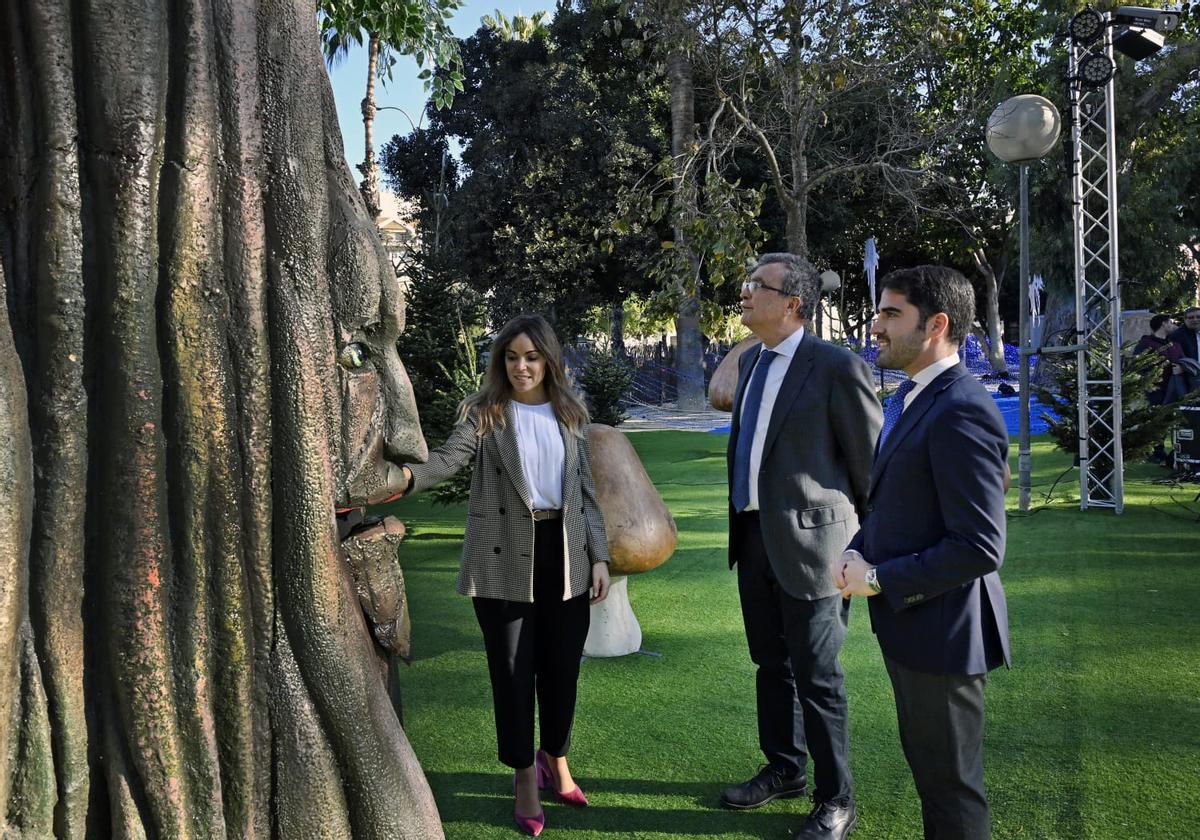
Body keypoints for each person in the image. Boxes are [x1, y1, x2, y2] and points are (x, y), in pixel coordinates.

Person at [399, 314, 611, 837]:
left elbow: (585, 492)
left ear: (549, 360)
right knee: (514, 676)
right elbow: (449, 458)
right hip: (502, 559)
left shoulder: (571, 413)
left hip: (566, 555)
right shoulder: (484, 412)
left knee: (562, 671)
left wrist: (600, 556)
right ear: (502, 361)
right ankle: (523, 776)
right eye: (512, 357)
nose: (522, 367)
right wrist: (405, 477)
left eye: (532, 357)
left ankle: (554, 758)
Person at [837, 265, 1011, 840]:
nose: (876, 325)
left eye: (891, 314)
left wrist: (880, 578)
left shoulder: (962, 407)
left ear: (936, 325)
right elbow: (897, 503)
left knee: (951, 792)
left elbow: (979, 545)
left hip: (946, 634)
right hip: (917, 628)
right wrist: (856, 550)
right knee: (933, 778)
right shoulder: (914, 396)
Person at [722, 253, 881, 840]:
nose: (743, 293)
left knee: (818, 676)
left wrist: (867, 549)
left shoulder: (836, 366)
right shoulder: (754, 363)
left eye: (754, 285)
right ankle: (785, 768)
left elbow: (870, 469)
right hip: (753, 539)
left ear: (792, 302)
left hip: (817, 549)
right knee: (772, 664)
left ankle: (836, 798)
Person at [1132, 314, 1182, 406]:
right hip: (1155, 392)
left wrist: (1181, 368)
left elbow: (1183, 361)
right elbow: (1137, 366)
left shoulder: (1175, 345)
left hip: (1175, 390)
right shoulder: (1145, 344)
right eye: (1171, 323)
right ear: (1164, 324)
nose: (1174, 326)